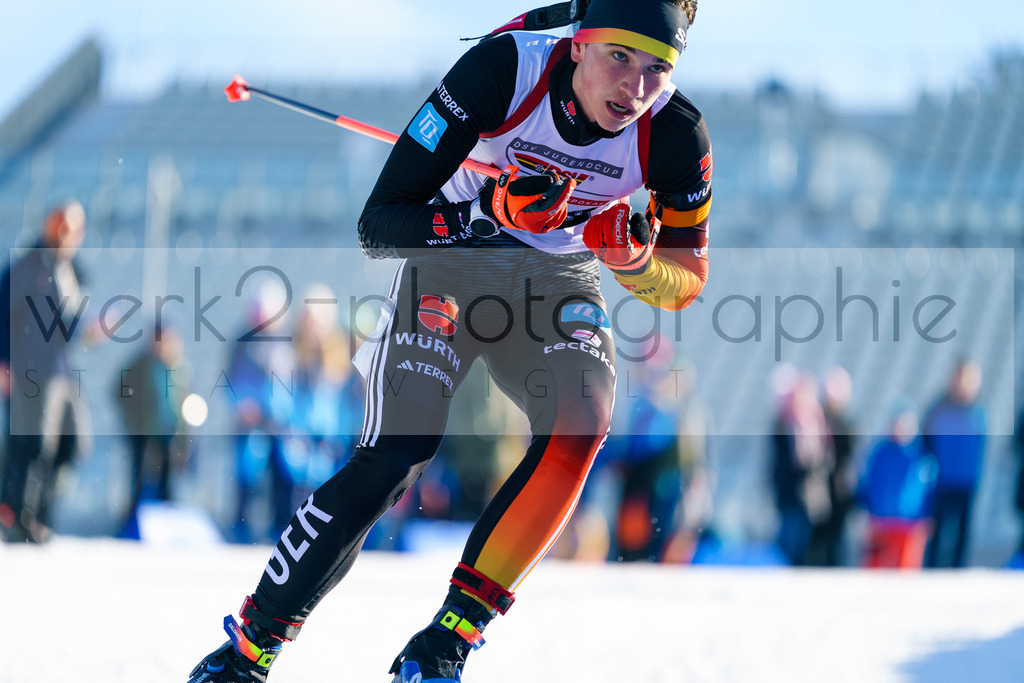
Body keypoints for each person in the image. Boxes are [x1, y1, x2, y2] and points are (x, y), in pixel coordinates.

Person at [188, 1, 711, 681]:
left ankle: (446, 642)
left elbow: (686, 279)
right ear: (578, 44)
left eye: (656, 70)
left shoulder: (675, 133)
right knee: (399, 453)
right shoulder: (502, 72)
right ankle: (247, 648)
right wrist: (486, 210)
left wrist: (635, 264)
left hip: (557, 278)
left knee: (581, 424)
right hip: (457, 263)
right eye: (619, 58)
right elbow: (380, 224)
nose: (635, 90)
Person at [0, 200, 92, 544]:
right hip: (28, 371)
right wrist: (3, 360)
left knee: (71, 443)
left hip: (59, 373)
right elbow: (3, 315)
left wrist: (92, 331)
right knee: (31, 444)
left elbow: (66, 327)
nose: (73, 236)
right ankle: (19, 516)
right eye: (66, 227)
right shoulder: (28, 267)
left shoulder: (68, 270)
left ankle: (36, 510)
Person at [112, 323, 191, 537]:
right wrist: (133, 419)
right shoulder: (141, 364)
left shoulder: (178, 368)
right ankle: (131, 525)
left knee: (167, 484)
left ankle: (165, 528)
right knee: (138, 482)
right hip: (143, 435)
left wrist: (185, 436)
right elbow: (119, 391)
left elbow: (183, 403)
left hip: (169, 436)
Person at [922, 358, 986, 569]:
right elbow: (926, 444)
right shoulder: (938, 410)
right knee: (938, 530)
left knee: (962, 531)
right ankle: (931, 570)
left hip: (966, 480)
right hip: (942, 479)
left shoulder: (977, 413)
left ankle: (958, 571)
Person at [857, 401, 936, 569]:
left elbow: (929, 490)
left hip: (910, 524)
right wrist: (867, 511)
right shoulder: (880, 453)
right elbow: (868, 483)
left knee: (905, 569)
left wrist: (928, 515)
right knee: (875, 568)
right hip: (881, 521)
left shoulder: (922, 456)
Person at [770, 368, 832, 566]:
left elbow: (824, 459)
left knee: (805, 544)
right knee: (788, 540)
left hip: (808, 494)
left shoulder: (817, 423)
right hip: (789, 491)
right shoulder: (783, 424)